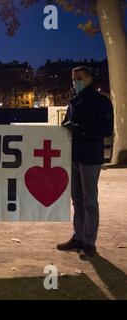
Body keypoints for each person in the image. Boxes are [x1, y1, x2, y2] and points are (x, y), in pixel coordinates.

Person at [57, 66, 114, 261]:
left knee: (89, 201)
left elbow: (106, 129)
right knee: (77, 200)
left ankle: (89, 243)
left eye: (78, 78)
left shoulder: (101, 102)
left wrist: (79, 129)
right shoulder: (75, 101)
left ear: (89, 79)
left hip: (90, 157)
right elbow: (67, 124)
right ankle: (78, 237)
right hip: (75, 155)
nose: (75, 82)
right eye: (73, 78)